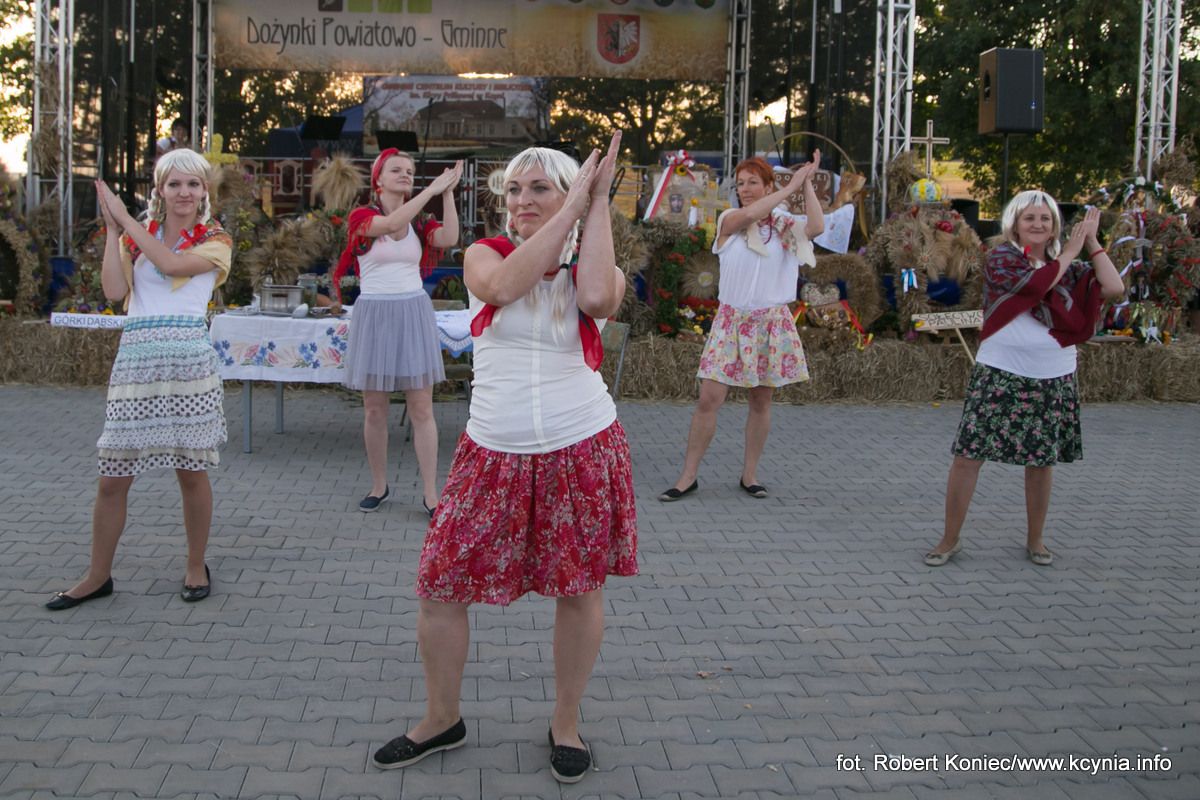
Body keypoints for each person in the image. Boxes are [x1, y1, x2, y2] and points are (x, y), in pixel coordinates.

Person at [370, 133, 637, 784]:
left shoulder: (593, 260)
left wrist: (594, 204)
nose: (521, 199)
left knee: (578, 593)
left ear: (571, 189)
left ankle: (565, 722)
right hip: (492, 453)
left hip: (581, 448)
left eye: (539, 187)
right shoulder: (484, 255)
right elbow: (505, 288)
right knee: (439, 585)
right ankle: (442, 718)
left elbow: (600, 299)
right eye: (513, 189)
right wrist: (570, 210)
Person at [45, 149, 232, 609]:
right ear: (161, 190)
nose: (184, 193)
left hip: (188, 361)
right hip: (137, 359)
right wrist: (114, 231)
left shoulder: (216, 237)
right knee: (112, 476)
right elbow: (113, 291)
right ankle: (97, 575)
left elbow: (171, 266)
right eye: (174, 184)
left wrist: (125, 219)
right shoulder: (136, 237)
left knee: (191, 470)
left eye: (193, 184)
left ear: (204, 190)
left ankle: (195, 564)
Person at [924, 192, 1124, 567]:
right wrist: (1069, 253)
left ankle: (1036, 541)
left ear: (1055, 228)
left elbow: (1114, 288)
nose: (1038, 224)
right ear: (1014, 224)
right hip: (1000, 370)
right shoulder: (1002, 259)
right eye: (1030, 218)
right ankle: (949, 540)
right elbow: (1034, 286)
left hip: (1053, 372)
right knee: (967, 456)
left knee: (1041, 461)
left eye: (1046, 219)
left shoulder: (1068, 267)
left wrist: (1093, 243)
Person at [659, 153, 825, 502]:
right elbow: (751, 214)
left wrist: (806, 183)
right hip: (732, 320)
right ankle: (688, 476)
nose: (745, 189)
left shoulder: (783, 225)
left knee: (761, 400)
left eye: (753, 182)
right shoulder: (730, 219)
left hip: (770, 322)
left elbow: (817, 228)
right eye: (741, 184)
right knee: (709, 398)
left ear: (768, 185)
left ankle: (749, 475)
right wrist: (789, 186)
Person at [333, 150, 462, 514]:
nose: (405, 175)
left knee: (421, 407)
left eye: (410, 171)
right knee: (375, 409)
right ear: (378, 179)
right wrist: (430, 190)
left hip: (412, 312)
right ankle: (379, 486)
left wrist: (447, 192)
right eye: (396, 170)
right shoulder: (362, 218)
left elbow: (449, 237)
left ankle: (431, 493)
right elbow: (389, 227)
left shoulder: (419, 224)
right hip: (375, 314)